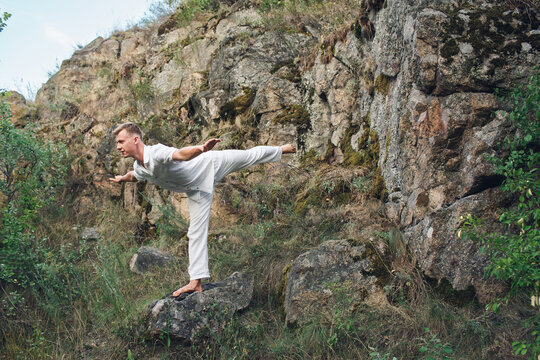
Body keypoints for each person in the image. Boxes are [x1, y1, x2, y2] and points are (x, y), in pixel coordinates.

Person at [109, 123, 296, 296]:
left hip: (209, 163)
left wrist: (201, 149)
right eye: (117, 142)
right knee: (195, 232)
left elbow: (180, 154)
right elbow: (136, 176)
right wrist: (122, 178)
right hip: (196, 190)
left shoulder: (156, 152)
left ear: (135, 139)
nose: (118, 146)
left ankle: (283, 149)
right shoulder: (139, 166)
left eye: (121, 141)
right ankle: (195, 282)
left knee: (247, 156)